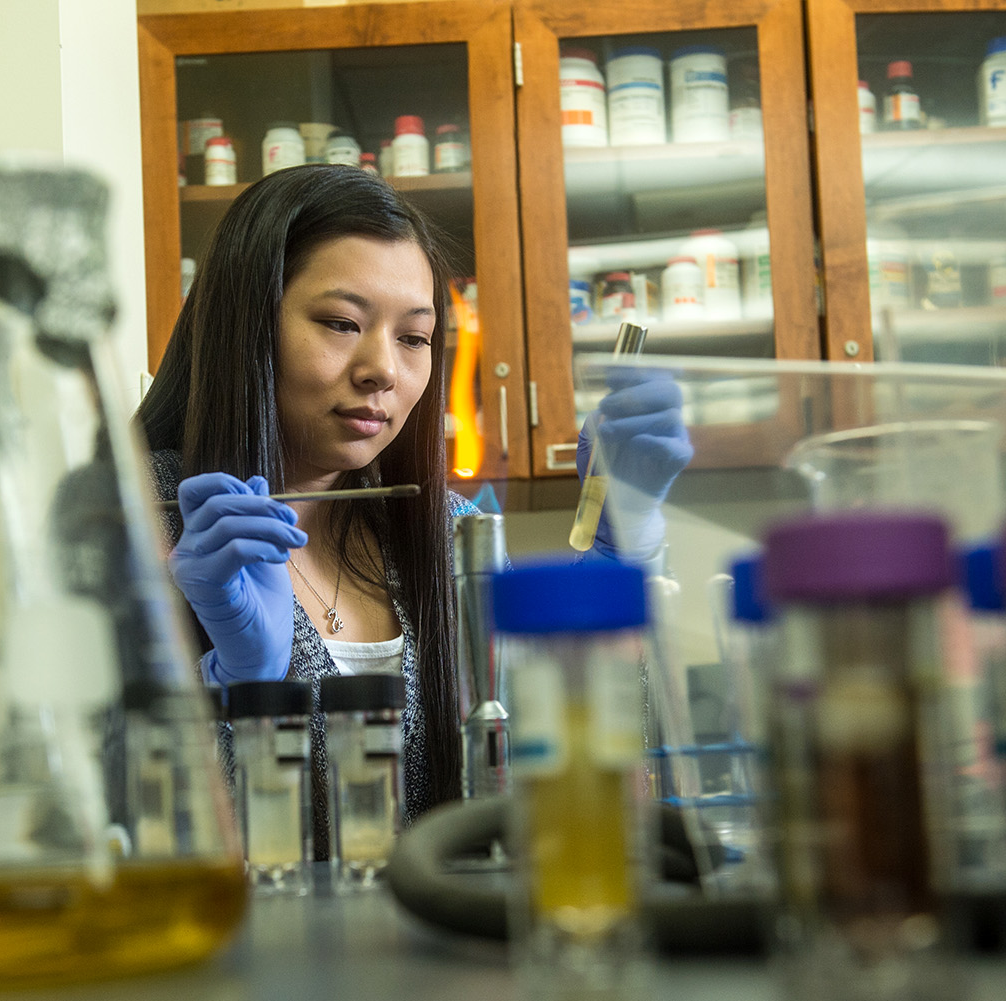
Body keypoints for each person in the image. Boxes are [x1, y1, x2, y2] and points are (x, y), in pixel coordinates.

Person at [136, 164, 689, 824]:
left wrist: (628, 544)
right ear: (245, 323)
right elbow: (100, 814)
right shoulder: (128, 515)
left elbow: (559, 777)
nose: (383, 371)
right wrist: (236, 685)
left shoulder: (447, 530)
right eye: (341, 323)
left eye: (414, 337)